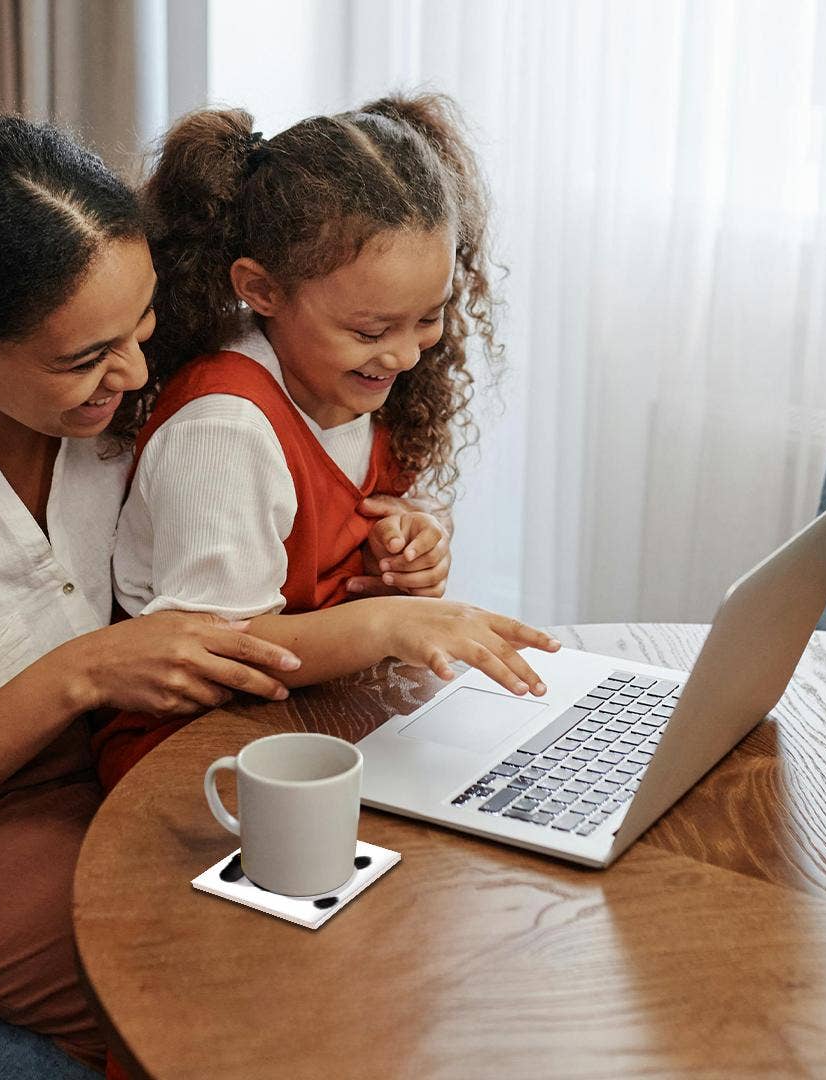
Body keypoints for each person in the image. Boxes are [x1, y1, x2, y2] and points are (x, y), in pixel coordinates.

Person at [0, 115, 302, 1070]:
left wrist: (399, 522)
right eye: (85, 359)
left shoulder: (118, 384)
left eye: (143, 327)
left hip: (116, 762)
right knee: (211, 991)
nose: (131, 374)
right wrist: (81, 673)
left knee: (342, 911)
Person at [94, 93, 562, 794]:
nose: (405, 356)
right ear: (260, 289)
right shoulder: (223, 430)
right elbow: (224, 649)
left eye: (428, 319)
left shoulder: (350, 382)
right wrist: (390, 624)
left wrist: (415, 539)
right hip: (194, 748)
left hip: (318, 716)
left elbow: (359, 514)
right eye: (373, 331)